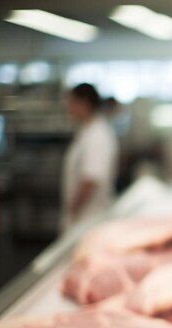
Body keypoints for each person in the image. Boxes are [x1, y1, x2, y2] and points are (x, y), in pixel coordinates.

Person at [61, 83, 119, 232]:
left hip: (89, 218)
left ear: (84, 103)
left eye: (71, 101)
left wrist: (73, 209)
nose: (67, 106)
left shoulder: (97, 135)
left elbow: (90, 180)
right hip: (85, 217)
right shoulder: (87, 131)